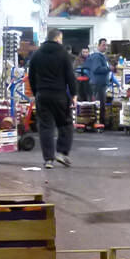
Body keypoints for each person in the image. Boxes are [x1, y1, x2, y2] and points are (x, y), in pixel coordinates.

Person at [28, 28, 77, 168]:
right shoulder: (63, 54)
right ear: (57, 38)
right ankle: (62, 152)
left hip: (42, 95)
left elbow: (31, 76)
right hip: (59, 95)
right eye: (60, 39)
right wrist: (74, 94)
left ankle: (48, 159)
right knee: (65, 124)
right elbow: (70, 76)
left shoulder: (37, 54)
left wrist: (36, 92)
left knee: (45, 127)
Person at [85, 38, 114, 126]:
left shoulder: (102, 56)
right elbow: (96, 69)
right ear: (98, 46)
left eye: (106, 45)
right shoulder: (97, 56)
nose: (105, 47)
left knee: (100, 104)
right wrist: (109, 68)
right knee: (98, 105)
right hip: (98, 84)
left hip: (100, 84)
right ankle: (98, 123)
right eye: (103, 45)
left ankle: (99, 123)